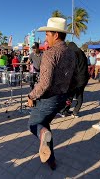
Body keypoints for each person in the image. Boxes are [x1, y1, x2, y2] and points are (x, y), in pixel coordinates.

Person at [27, 17, 76, 170]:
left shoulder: (50, 54)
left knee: (34, 125)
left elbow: (45, 83)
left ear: (56, 35)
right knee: (45, 126)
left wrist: (31, 96)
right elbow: (73, 77)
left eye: (47, 34)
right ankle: (51, 160)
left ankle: (44, 139)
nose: (45, 37)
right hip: (62, 97)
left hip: (48, 98)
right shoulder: (71, 52)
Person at [57, 42, 89, 118]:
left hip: (75, 78)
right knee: (80, 95)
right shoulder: (82, 53)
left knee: (69, 95)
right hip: (84, 78)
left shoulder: (73, 53)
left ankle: (64, 111)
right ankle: (75, 112)